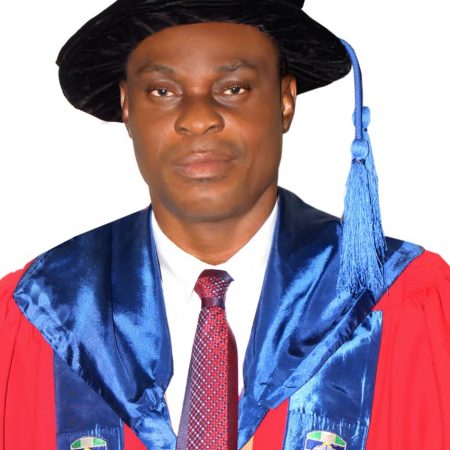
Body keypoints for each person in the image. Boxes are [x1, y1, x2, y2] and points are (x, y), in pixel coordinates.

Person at [0, 1, 449, 450]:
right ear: (127, 107)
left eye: (233, 88)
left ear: (285, 101)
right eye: (162, 90)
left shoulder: (406, 301)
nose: (198, 118)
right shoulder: (38, 312)